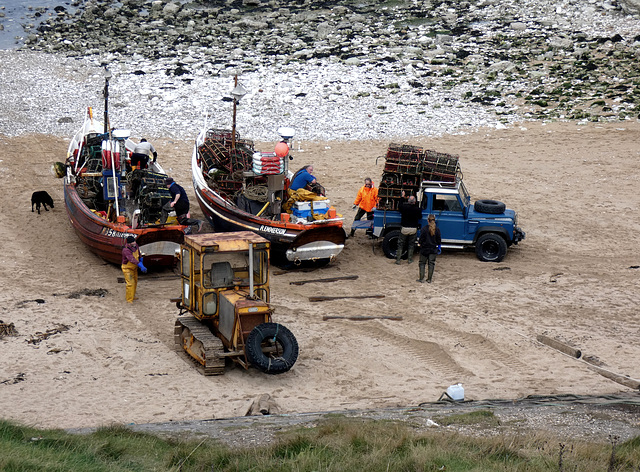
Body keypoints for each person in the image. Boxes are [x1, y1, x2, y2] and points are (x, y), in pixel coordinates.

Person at [395, 191, 422, 264]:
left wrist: (402, 196)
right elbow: (420, 216)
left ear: (408, 201)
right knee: (411, 245)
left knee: (400, 244)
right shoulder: (417, 209)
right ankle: (409, 259)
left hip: (404, 229)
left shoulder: (404, 208)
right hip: (413, 229)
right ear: (415, 202)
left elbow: (399, 206)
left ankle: (398, 260)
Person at [121, 235, 147, 303]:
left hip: (134, 267)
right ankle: (129, 299)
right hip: (127, 268)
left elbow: (138, 253)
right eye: (133, 242)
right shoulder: (126, 250)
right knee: (130, 283)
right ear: (129, 243)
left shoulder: (136, 245)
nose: (134, 243)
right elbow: (131, 259)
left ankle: (133, 296)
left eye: (134, 241)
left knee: (135, 282)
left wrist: (141, 259)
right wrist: (140, 265)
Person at [417, 214, 442, 283]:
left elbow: (421, 239)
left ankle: (421, 278)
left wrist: (420, 244)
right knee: (431, 264)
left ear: (428, 220)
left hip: (424, 249)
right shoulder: (437, 230)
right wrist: (439, 247)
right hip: (433, 249)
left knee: (422, 263)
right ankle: (429, 279)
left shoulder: (424, 229)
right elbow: (439, 240)